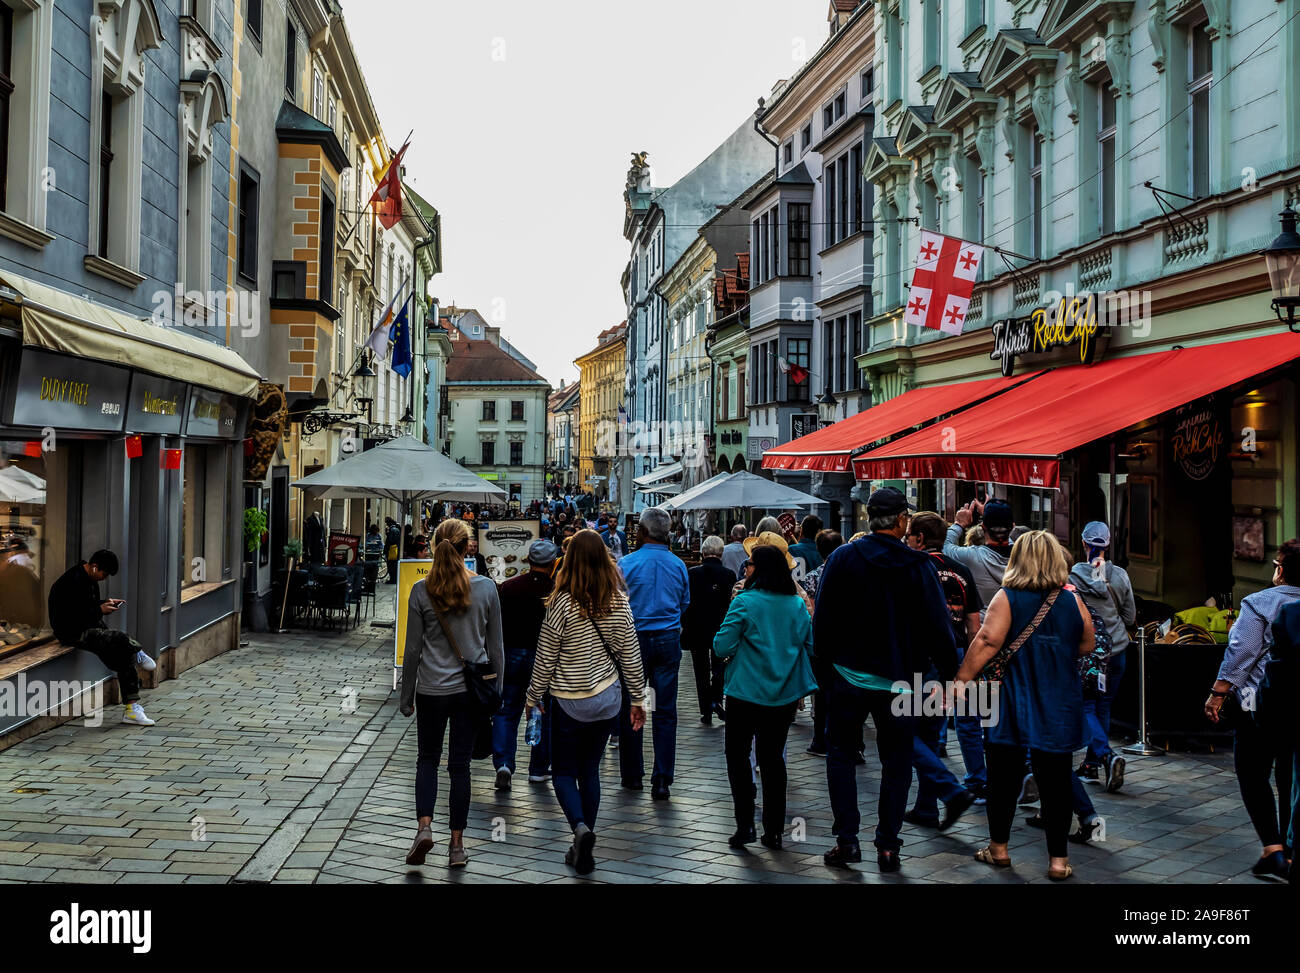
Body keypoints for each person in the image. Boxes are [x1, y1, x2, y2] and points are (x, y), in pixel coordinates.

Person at [814, 488, 958, 871]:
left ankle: (847, 841)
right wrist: (948, 676)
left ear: (869, 519)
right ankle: (888, 846)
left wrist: (825, 675)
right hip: (901, 682)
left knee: (841, 755)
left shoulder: (844, 558)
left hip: (849, 676)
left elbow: (823, 622)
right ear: (900, 521)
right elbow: (938, 627)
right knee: (897, 762)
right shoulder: (918, 566)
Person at [957, 530, 1095, 882]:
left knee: (1004, 777)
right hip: (1059, 700)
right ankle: (1058, 862)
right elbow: (1087, 644)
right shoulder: (1070, 598)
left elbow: (987, 640)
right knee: (1056, 781)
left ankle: (999, 850)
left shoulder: (1008, 597)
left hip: (1011, 698)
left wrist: (962, 681)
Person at [526, 530, 647, 875]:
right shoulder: (620, 602)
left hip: (568, 702)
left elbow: (546, 656)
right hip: (607, 701)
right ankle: (584, 844)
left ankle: (579, 829)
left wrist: (533, 696)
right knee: (590, 771)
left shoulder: (561, 603)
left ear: (569, 561)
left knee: (563, 772)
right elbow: (630, 656)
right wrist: (638, 699)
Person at [399, 519, 504, 870]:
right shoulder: (487, 589)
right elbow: (496, 648)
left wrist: (406, 695)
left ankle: (424, 828)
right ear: (467, 548)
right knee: (460, 768)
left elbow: (412, 650)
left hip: (431, 689)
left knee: (427, 759)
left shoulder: (420, 590)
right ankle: (457, 847)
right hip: (469, 694)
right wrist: (497, 693)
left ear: (433, 546)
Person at [1205, 538, 1300, 880]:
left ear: (1284, 570)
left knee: (1252, 772)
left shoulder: (1260, 603)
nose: (1274, 569)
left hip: (1259, 703)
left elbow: (1241, 652)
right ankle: (1290, 851)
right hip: (1296, 706)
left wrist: (1218, 692)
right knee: (1291, 776)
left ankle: (1272, 847)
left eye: (1278, 564)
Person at [713, 545, 818, 850]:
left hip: (744, 691)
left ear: (758, 569)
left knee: (738, 756)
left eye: (749, 564)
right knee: (773, 760)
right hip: (783, 694)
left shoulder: (744, 602)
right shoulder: (797, 605)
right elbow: (810, 645)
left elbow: (721, 646)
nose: (745, 568)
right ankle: (773, 830)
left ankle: (745, 823)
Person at [904, 513, 985, 819]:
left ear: (920, 539)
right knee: (928, 732)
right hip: (955, 658)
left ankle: (950, 791)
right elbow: (974, 625)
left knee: (900, 730)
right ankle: (926, 807)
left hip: (918, 661)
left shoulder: (913, 568)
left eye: (909, 535)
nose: (907, 540)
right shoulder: (962, 571)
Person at [617, 506, 690, 799]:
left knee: (633, 704)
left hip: (634, 640)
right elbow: (684, 602)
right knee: (665, 710)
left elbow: (618, 605)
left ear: (642, 532)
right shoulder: (678, 565)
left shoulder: (627, 563)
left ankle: (633, 774)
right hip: (667, 638)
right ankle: (662, 778)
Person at [48, 550, 157, 726]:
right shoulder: (72, 581)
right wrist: (99, 610)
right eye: (104, 574)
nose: (104, 578)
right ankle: (137, 651)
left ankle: (131, 709)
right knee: (120, 638)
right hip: (71, 632)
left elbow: (86, 609)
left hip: (88, 627)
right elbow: (71, 617)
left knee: (123, 654)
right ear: (94, 566)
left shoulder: (90, 579)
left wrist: (103, 604)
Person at [1068, 521, 1136, 792]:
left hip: (1088, 653)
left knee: (1085, 706)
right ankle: (1092, 764)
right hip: (1117, 650)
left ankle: (1105, 756)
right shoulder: (1119, 575)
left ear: (1084, 544)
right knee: (1104, 706)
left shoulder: (1073, 575)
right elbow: (1129, 617)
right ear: (1108, 545)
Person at [492, 540, 559, 791]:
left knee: (507, 710)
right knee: (540, 710)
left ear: (528, 561)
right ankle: (539, 768)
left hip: (511, 654)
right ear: (552, 564)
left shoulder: (509, 587)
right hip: (543, 658)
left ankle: (504, 763)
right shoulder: (557, 591)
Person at [683, 535, 734, 726]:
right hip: (720, 628)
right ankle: (717, 699)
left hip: (697, 629)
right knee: (719, 667)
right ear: (721, 553)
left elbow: (685, 602)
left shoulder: (692, 573)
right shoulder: (728, 575)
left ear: (703, 552)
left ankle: (705, 709)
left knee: (701, 670)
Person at [801, 530, 844, 757]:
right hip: (846, 643)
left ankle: (819, 739)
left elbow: (810, 612)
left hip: (821, 642)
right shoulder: (851, 575)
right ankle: (850, 743)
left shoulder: (813, 577)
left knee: (821, 693)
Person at [385, 517, 401, 584]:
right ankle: (394, 579)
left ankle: (393, 579)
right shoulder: (397, 529)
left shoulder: (392, 530)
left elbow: (390, 541)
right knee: (394, 565)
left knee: (391, 565)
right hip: (395, 550)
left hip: (391, 550)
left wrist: (387, 534)